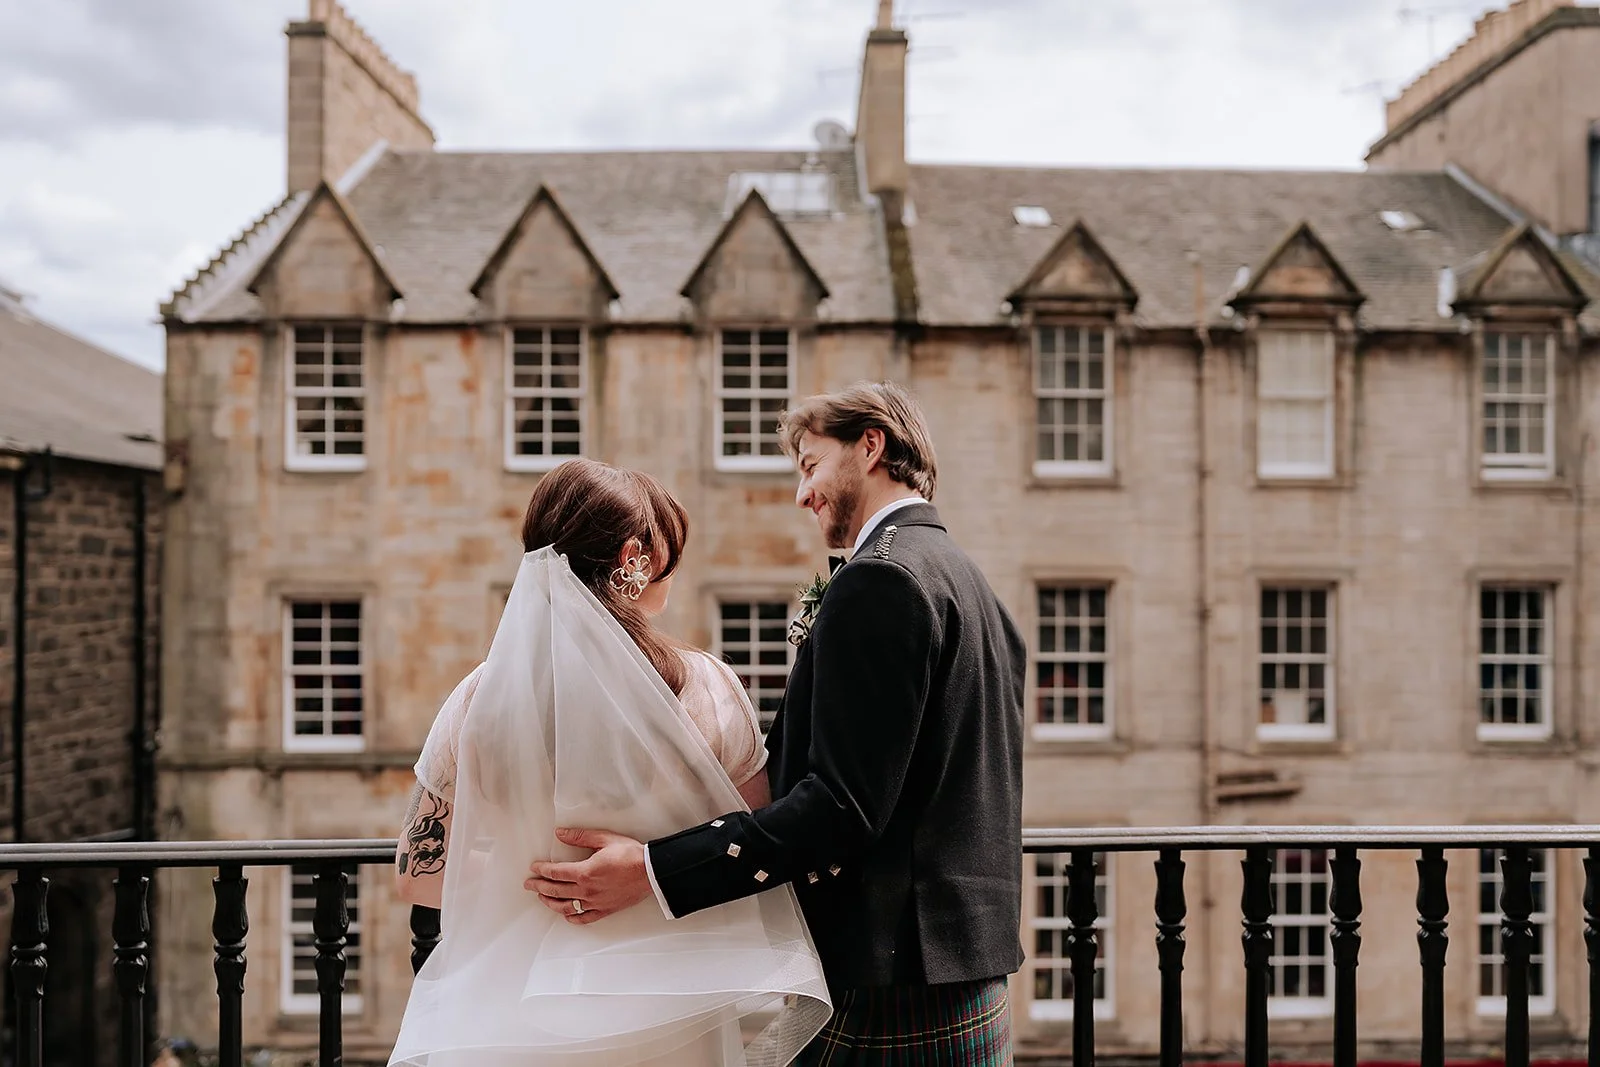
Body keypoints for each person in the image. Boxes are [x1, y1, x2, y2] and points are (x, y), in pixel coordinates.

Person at [526, 382, 1028, 1065]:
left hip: (884, 976)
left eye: (810, 464)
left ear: (871, 446)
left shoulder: (880, 581)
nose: (802, 493)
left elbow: (839, 810)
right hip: (964, 966)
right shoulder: (968, 581)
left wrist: (651, 869)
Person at [389, 459, 830, 1066]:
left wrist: (536, 879)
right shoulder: (707, 690)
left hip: (511, 1011)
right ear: (634, 557)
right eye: (669, 558)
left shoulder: (479, 700)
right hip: (667, 1009)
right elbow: (750, 851)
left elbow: (419, 875)